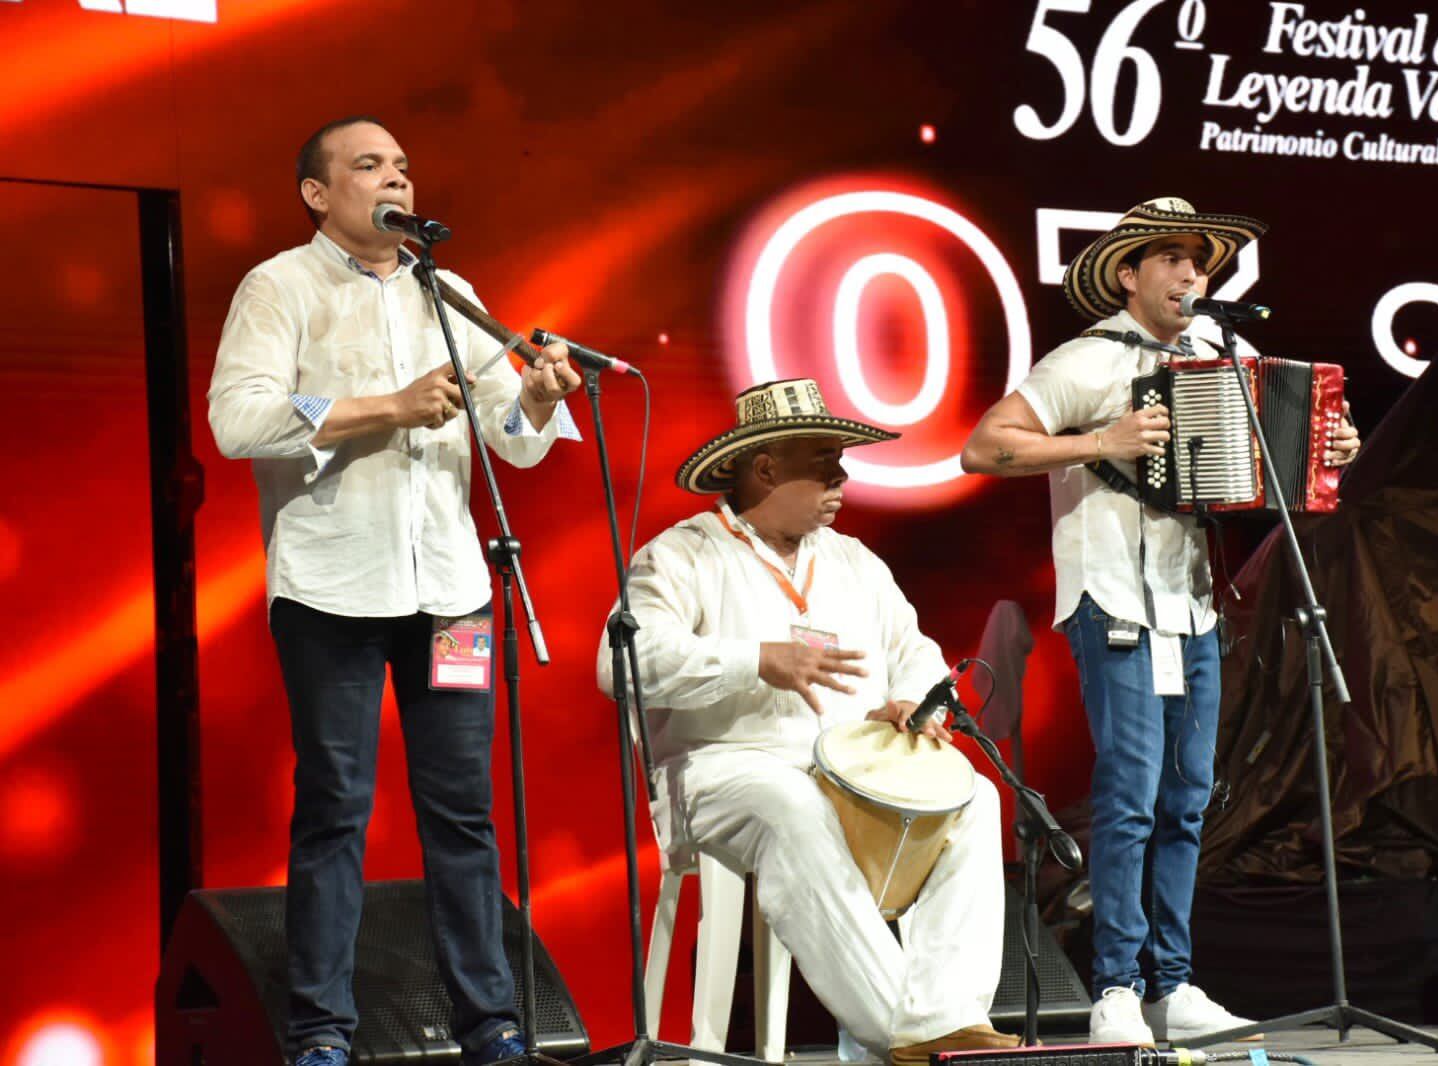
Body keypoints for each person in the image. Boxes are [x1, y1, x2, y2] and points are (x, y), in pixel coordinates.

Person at [207, 115, 582, 1066]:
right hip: (332, 588)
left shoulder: (448, 291)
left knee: (462, 807)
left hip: (452, 594)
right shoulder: (280, 286)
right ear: (318, 193)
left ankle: (490, 1023)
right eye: (369, 166)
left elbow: (512, 437)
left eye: (404, 166)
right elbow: (238, 418)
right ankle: (321, 1033)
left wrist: (537, 394)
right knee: (336, 801)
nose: (397, 180)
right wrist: (387, 408)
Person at [961, 198, 1359, 1046]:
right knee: (1130, 797)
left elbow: (1273, 452)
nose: (1188, 274)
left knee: (1185, 800)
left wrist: (1329, 449)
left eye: (1198, 262)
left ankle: (1171, 983)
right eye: (1168, 258)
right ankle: (1113, 986)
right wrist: (1098, 440)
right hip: (1111, 597)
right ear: (1127, 273)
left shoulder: (1224, 353)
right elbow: (985, 446)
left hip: (1192, 603)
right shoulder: (1087, 359)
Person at [597, 379, 1020, 1066]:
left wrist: (914, 698)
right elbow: (621, 665)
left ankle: (948, 1020)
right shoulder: (680, 555)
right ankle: (908, 1037)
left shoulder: (852, 560)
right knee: (791, 805)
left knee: (972, 796)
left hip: (849, 771)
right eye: (824, 459)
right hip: (725, 768)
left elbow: (913, 650)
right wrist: (753, 660)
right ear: (764, 467)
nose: (841, 475)